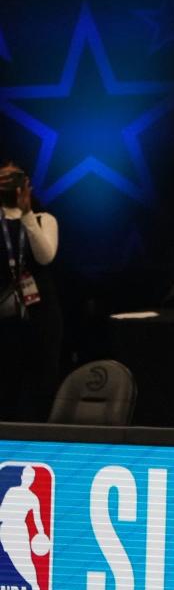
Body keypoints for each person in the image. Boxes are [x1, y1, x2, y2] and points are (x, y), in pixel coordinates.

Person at [0, 163, 62, 423]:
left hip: (40, 314)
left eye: (15, 177)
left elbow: (45, 256)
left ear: (26, 183)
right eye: (3, 178)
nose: (9, 183)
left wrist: (26, 214)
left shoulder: (43, 219)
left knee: (41, 382)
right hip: (5, 316)